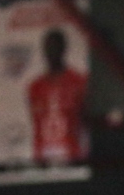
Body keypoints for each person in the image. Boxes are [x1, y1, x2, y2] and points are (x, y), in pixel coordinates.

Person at [29, 28, 90, 165]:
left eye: (55, 47)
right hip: (43, 156)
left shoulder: (78, 81)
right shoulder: (35, 87)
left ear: (63, 49)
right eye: (48, 47)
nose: (51, 52)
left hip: (72, 154)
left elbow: (85, 120)